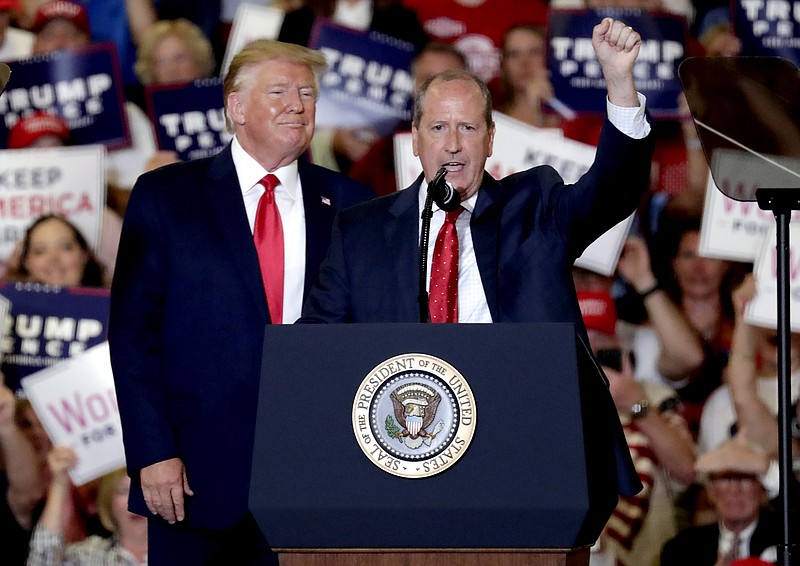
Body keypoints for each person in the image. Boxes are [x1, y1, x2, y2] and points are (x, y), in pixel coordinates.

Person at [301, 18, 653, 498]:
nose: (452, 145)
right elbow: (319, 349)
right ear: (416, 136)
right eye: (439, 128)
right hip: (404, 456)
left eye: (467, 128)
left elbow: (613, 192)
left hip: (529, 449)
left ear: (490, 139)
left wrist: (619, 82)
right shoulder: (362, 231)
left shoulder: (535, 206)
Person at [108, 39, 374, 563]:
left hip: (318, 476)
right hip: (194, 484)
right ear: (236, 108)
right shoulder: (166, 196)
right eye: (278, 91)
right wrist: (154, 451)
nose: (297, 104)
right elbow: (133, 336)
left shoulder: (352, 202)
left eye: (306, 92)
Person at [348, 41, 468, 196]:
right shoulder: (384, 152)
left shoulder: (491, 144)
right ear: (414, 86)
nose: (437, 89)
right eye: (427, 79)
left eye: (448, 80)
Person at [661, 438, 782, 565]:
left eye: (744, 477)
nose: (734, 489)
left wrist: (766, 467)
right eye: (725, 478)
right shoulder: (681, 547)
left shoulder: (786, 537)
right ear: (711, 490)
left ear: (762, 487)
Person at [27, 448, 147, 566]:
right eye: (123, 491)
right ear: (108, 501)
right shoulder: (87, 556)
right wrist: (60, 483)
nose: (135, 501)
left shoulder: (166, 553)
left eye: (143, 490)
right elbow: (42, 561)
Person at [0, 377, 46, 566]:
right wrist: (6, 423)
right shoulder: (10, 484)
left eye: (42, 424)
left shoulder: (87, 487)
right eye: (26, 425)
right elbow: (29, 494)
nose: (36, 433)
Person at [2, 214, 106, 287]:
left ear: (85, 254)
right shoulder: (7, 310)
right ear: (26, 262)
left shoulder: (115, 308)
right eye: (40, 251)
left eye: (65, 247)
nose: (53, 258)